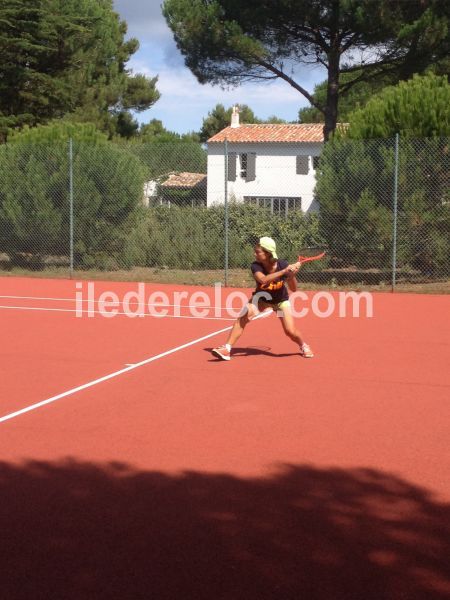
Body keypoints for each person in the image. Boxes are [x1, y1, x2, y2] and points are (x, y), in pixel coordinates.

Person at [212, 236, 314, 361]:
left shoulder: (283, 264)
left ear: (268, 253)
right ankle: (226, 349)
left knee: (290, 331)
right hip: (261, 299)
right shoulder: (256, 266)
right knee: (243, 317)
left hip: (280, 301)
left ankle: (303, 345)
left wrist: (291, 276)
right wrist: (284, 272)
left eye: (258, 252)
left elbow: (294, 289)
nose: (254, 254)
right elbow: (262, 280)